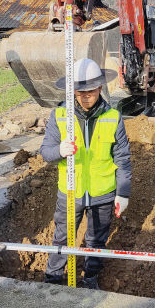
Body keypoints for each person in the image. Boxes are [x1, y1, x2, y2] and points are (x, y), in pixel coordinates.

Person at [40, 58, 131, 289]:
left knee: (96, 241)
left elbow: (122, 158)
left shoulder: (113, 117)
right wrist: (60, 150)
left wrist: (123, 193)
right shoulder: (60, 116)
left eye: (90, 90)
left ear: (100, 88)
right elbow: (46, 152)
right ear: (73, 91)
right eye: (80, 91)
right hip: (70, 193)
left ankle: (90, 278)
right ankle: (52, 279)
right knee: (62, 238)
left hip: (103, 193)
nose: (85, 96)